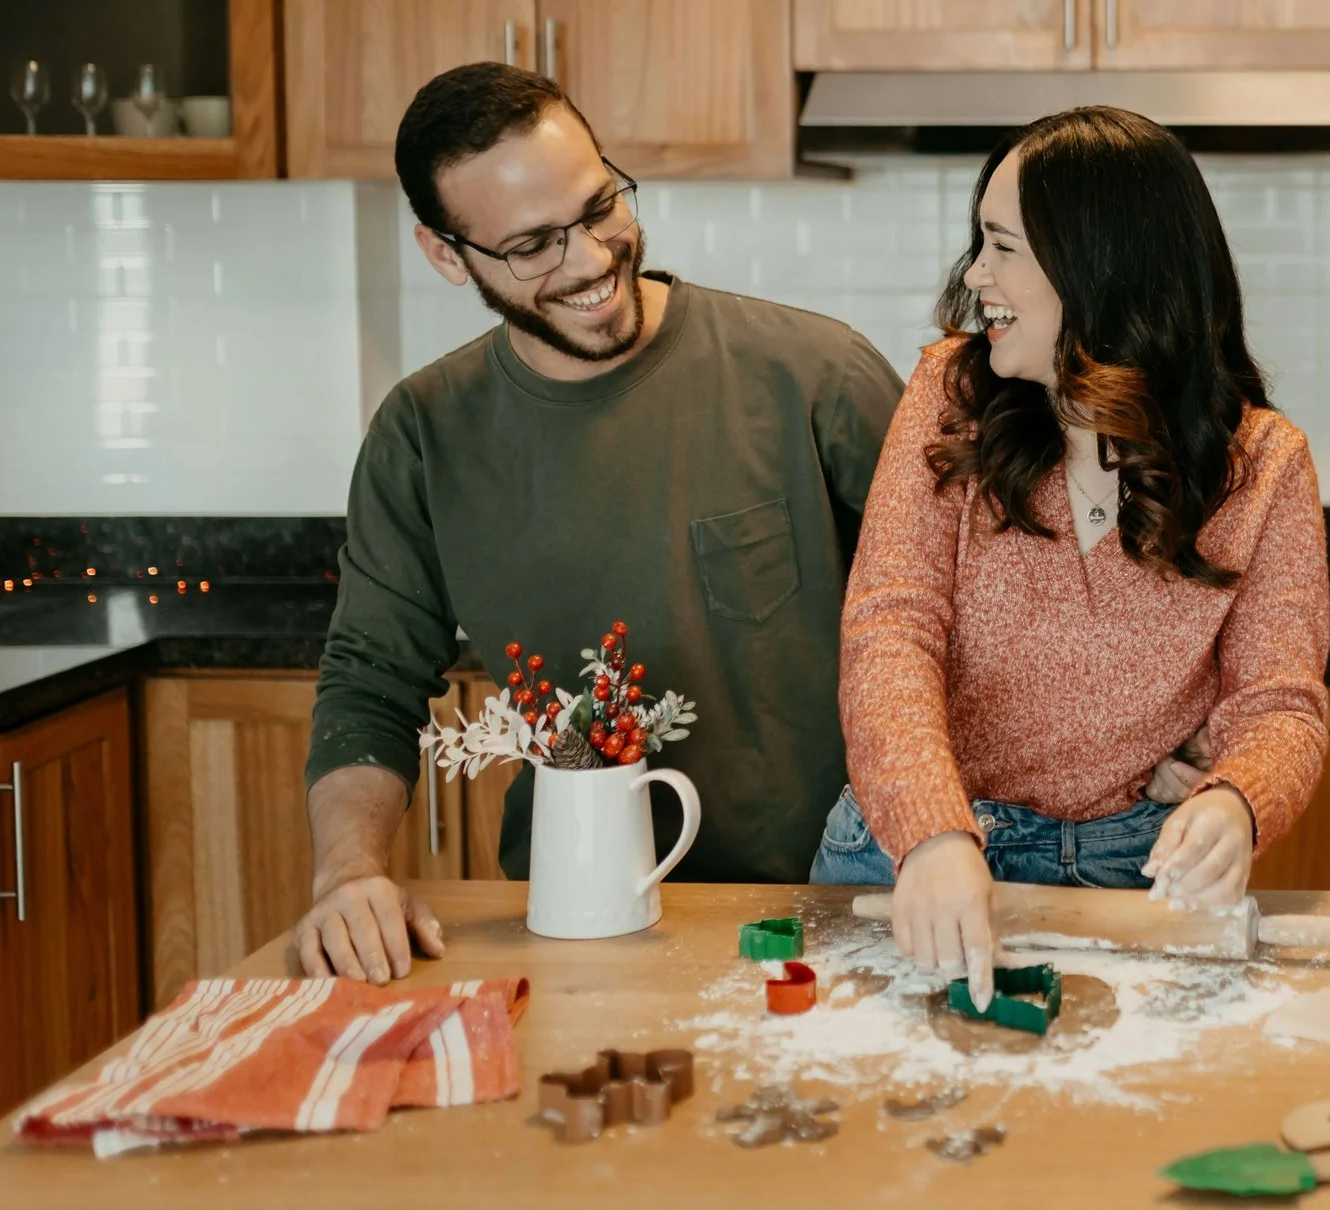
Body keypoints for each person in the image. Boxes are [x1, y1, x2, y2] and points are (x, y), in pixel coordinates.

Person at [292, 63, 903, 983]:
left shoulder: (816, 377)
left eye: (599, 205)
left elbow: (973, 618)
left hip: (839, 913)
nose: (588, 259)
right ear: (446, 254)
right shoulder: (424, 435)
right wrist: (347, 871)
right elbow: (368, 684)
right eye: (532, 244)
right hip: (579, 922)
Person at [819, 106, 1329, 1004]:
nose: (978, 275)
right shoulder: (949, 396)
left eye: (1003, 245)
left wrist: (1236, 801)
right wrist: (933, 834)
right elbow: (891, 632)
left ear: (1100, 268)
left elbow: (1280, 703)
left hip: (1133, 873)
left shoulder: (1264, 466)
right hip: (915, 857)